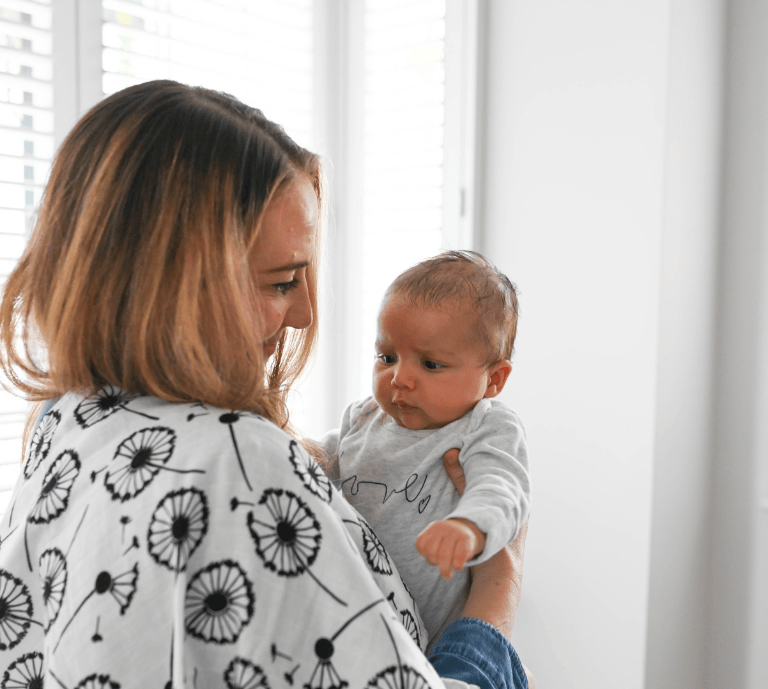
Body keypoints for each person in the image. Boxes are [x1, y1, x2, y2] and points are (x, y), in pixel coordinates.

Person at [0, 80, 530, 689]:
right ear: (174, 285)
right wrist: (498, 592)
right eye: (280, 282)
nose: (305, 313)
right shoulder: (236, 463)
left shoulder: (64, 419)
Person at [318, 252, 531, 649]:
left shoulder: (485, 427)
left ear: (494, 379)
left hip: (430, 644)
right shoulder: (365, 416)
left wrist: (469, 526)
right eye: (387, 357)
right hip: (353, 617)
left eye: (430, 364)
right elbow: (322, 459)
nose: (400, 378)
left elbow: (504, 489)